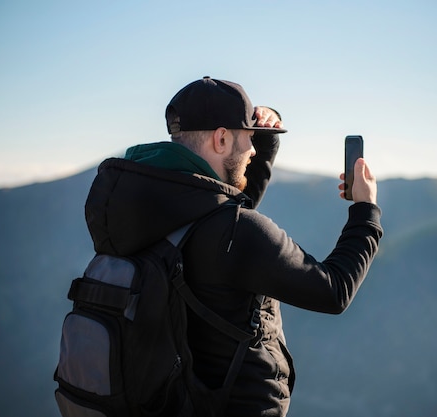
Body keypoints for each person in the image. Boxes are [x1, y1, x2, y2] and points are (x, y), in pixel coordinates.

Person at [84, 76, 383, 416]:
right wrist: (365, 211)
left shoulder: (138, 207)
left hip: (168, 403)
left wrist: (266, 142)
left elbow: (221, 215)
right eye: (248, 139)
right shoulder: (235, 233)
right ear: (222, 138)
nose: (254, 149)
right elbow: (334, 290)